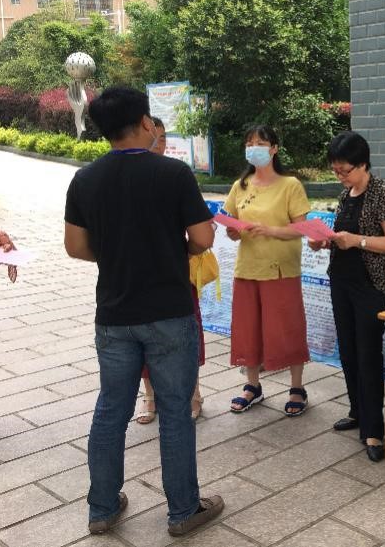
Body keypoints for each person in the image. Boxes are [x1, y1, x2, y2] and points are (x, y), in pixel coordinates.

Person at [64, 86, 223, 537]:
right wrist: (171, 251)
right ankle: (183, 511)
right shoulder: (173, 174)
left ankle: (101, 508)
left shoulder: (85, 179)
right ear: (146, 123)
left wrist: (117, 255)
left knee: (111, 409)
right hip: (169, 310)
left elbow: (75, 247)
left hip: (114, 315)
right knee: (175, 411)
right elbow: (203, 238)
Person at [309, 131, 385, 462]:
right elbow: (342, 237)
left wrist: (357, 240)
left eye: (345, 170)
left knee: (368, 354)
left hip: (370, 285)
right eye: (336, 171)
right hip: (341, 280)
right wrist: (324, 241)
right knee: (347, 350)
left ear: (363, 164)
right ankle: (357, 411)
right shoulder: (345, 193)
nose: (340, 176)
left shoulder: (382, 193)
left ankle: (374, 429)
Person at [224, 126, 312, 416]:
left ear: (274, 148)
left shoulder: (290, 185)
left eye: (260, 143)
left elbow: (303, 228)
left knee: (287, 327)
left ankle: (297, 387)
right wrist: (233, 232)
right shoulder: (240, 185)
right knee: (248, 328)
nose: (253, 148)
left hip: (280, 269)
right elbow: (232, 222)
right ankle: (252, 386)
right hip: (247, 268)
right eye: (249, 143)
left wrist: (270, 230)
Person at [134, 118, 206, 424]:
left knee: (186, 334)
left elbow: (201, 231)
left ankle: (193, 393)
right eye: (154, 136)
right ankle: (150, 396)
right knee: (142, 336)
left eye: (163, 138)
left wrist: (185, 251)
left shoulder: (178, 175)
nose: (158, 143)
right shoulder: (127, 177)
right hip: (138, 275)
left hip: (177, 273)